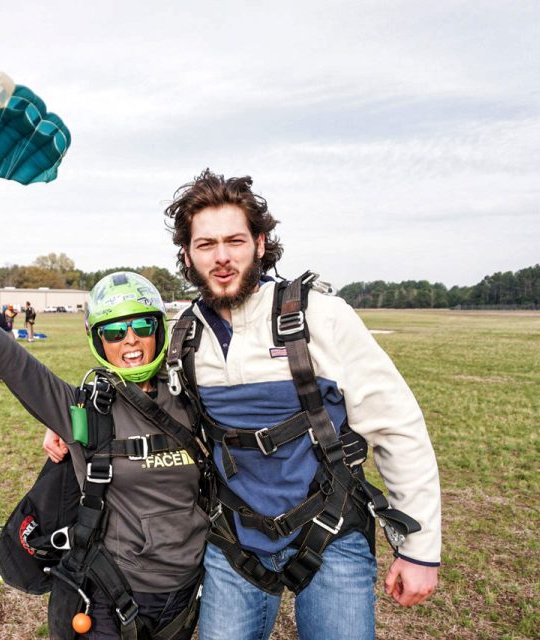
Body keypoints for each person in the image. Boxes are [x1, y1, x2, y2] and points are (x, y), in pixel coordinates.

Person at [163, 170, 441, 639]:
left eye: (235, 240)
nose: (223, 257)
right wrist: (76, 421)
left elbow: (397, 427)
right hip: (235, 541)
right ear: (188, 254)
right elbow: (143, 403)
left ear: (260, 242)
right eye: (206, 244)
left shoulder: (321, 316)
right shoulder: (185, 338)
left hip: (330, 531)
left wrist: (418, 549)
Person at [0, 220, 210, 640]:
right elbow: (12, 361)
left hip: (186, 592)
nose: (129, 340)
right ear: (97, 340)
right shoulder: (82, 410)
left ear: (159, 330)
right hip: (113, 596)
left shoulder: (194, 399)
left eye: (142, 326)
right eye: (113, 331)